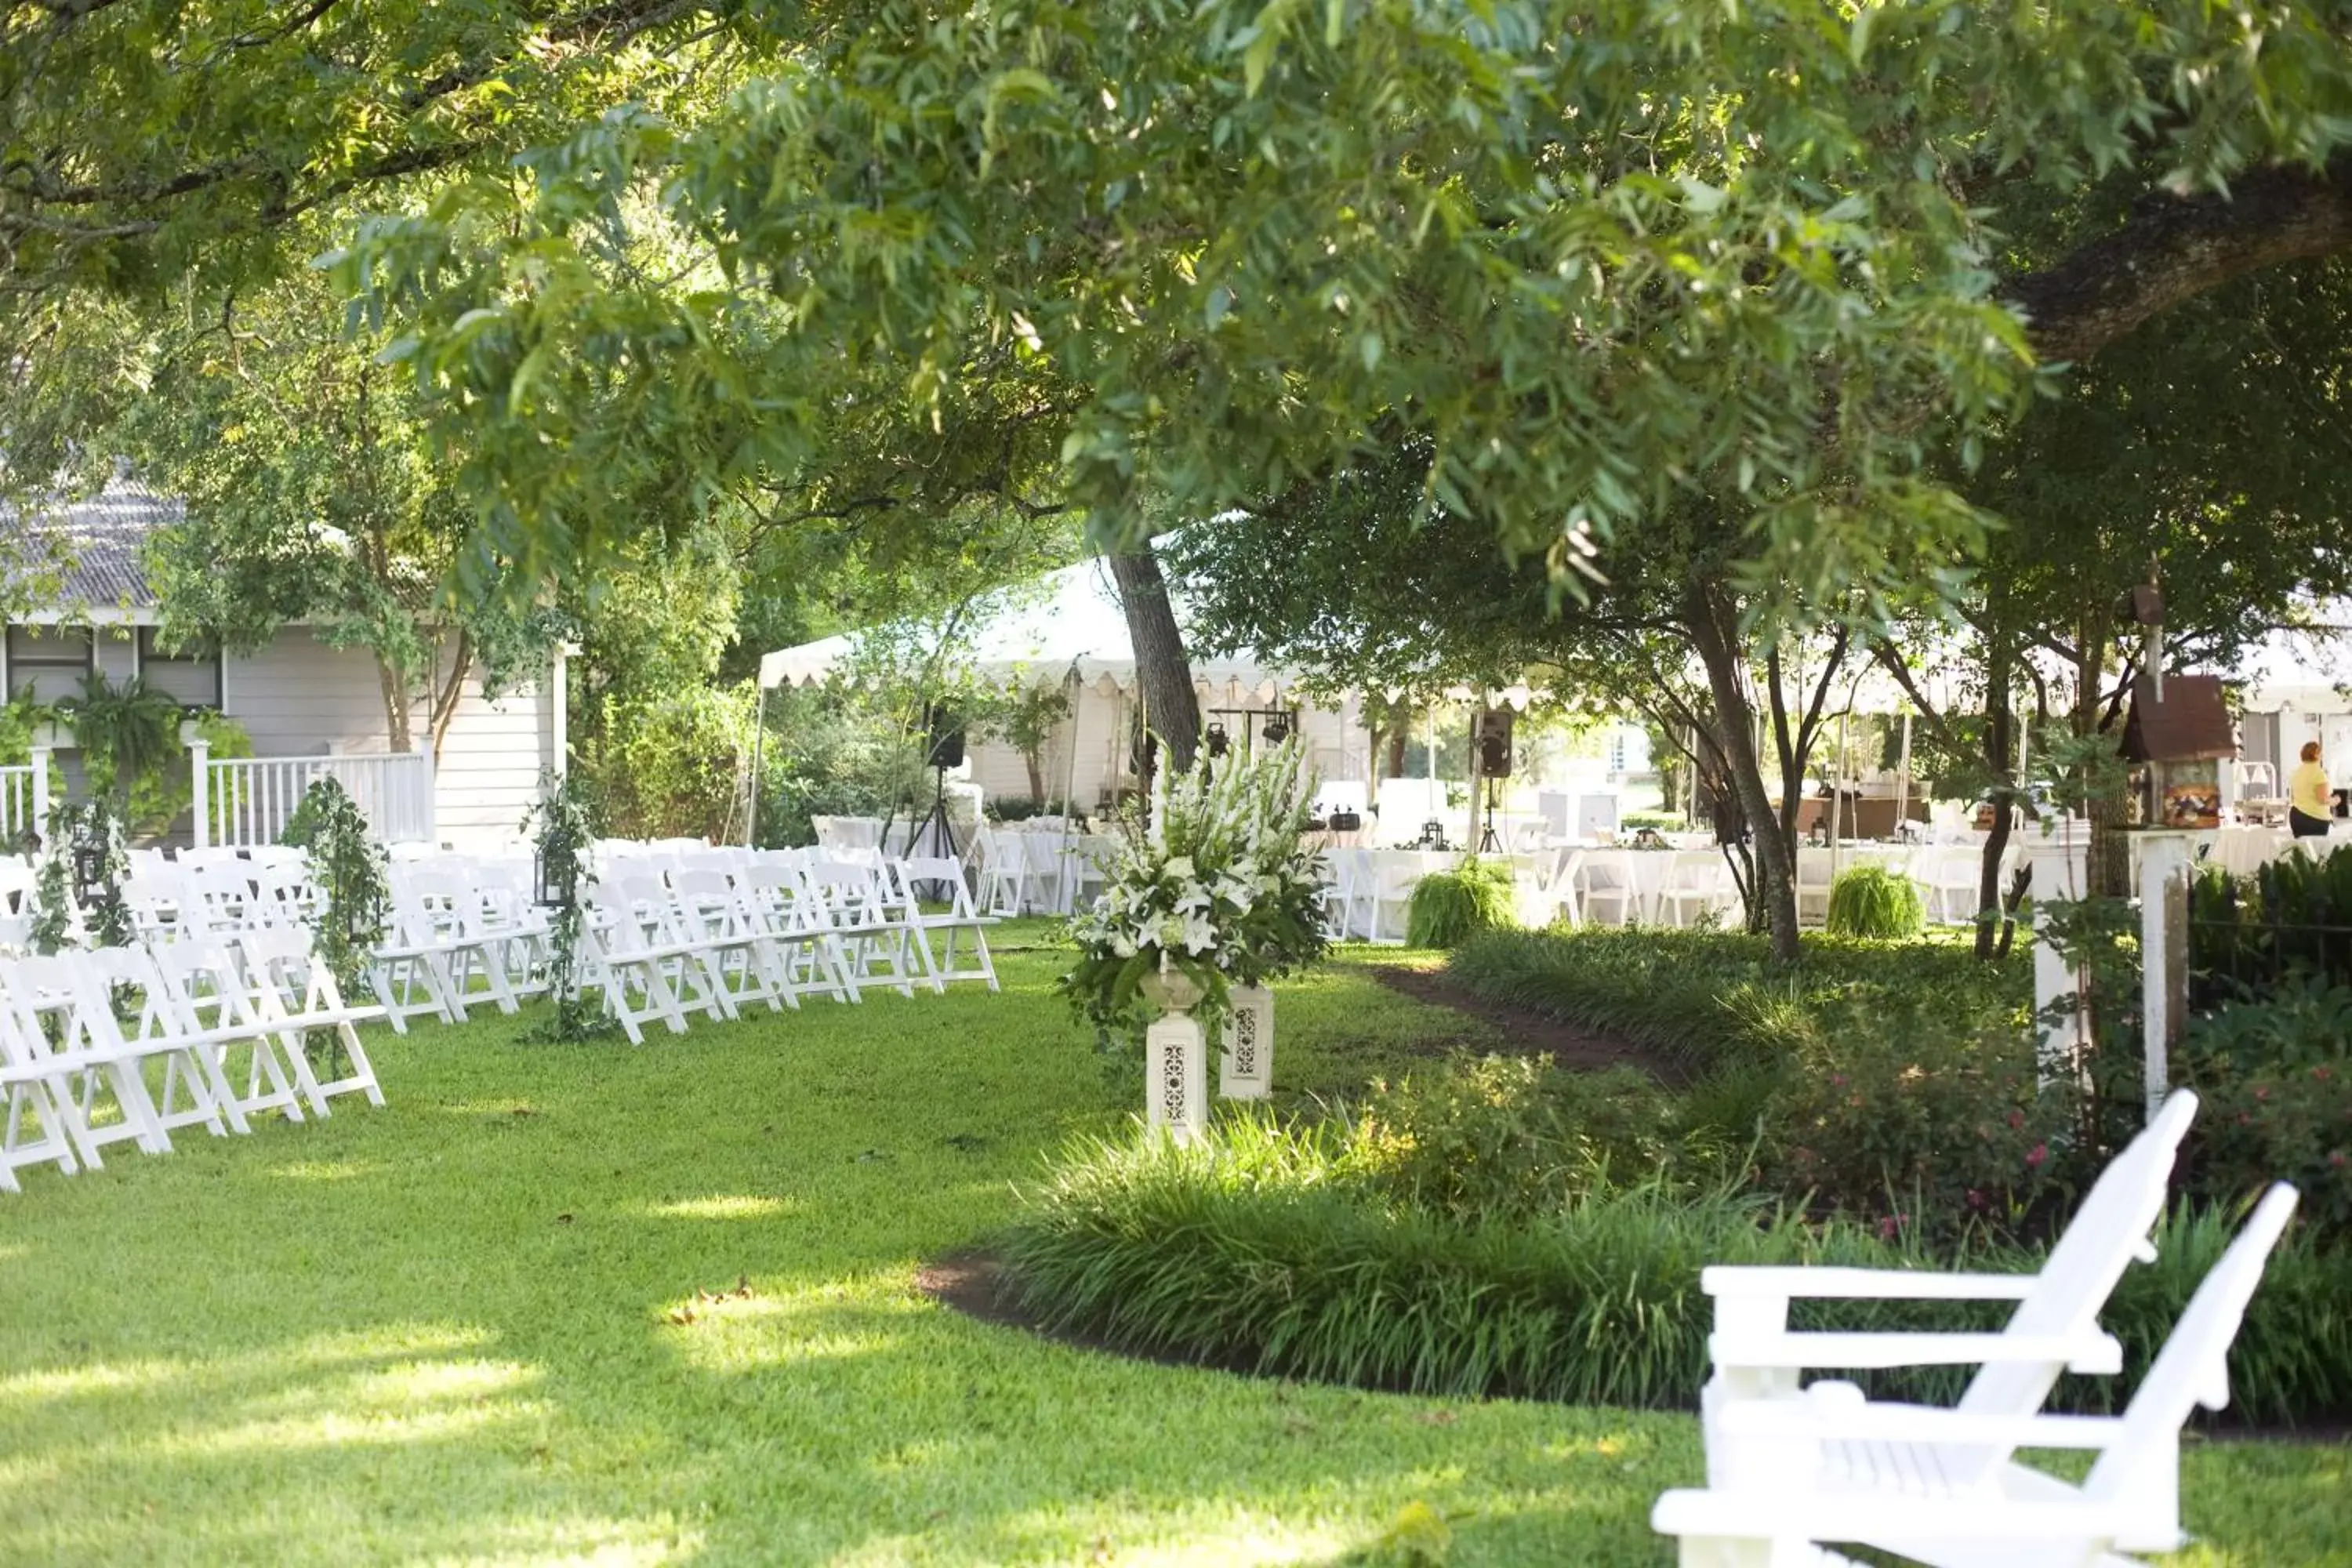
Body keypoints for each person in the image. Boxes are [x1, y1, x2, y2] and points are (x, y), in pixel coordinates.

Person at [2289, 740, 2333, 838]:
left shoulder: (2297, 773)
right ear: (2316, 755)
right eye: (2321, 753)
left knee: (2303, 851)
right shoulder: (2318, 773)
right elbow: (2322, 799)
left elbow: (2293, 797)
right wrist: (2335, 800)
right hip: (2315, 819)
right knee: (2318, 851)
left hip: (2297, 817)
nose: (2322, 756)